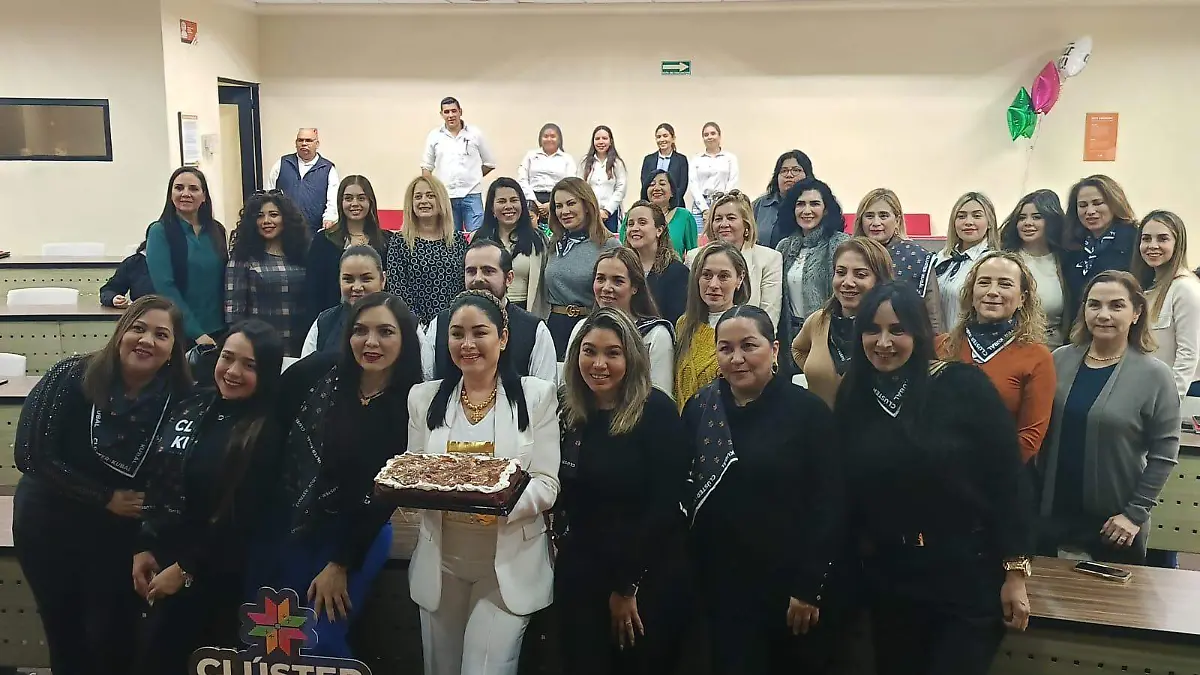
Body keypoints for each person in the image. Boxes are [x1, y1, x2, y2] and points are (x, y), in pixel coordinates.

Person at [836, 282, 1031, 675]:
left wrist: (1015, 572)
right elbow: (845, 495)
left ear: (920, 333)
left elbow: (1008, 479)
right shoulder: (854, 397)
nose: (883, 342)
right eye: (872, 330)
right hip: (891, 577)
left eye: (898, 330)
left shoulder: (962, 386)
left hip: (965, 573)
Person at [13, 295, 192, 675]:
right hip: (50, 524)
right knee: (66, 636)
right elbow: (31, 455)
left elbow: (172, 475)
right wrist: (103, 497)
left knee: (114, 638)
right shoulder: (70, 375)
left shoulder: (181, 402)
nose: (146, 340)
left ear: (175, 349)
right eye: (138, 328)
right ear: (120, 331)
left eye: (161, 335)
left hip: (117, 536)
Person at [406, 289, 560, 675]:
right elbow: (413, 480)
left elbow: (546, 483)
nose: (467, 343)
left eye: (480, 332)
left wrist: (495, 498)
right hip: (440, 566)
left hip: (507, 568)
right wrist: (409, 492)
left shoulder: (536, 396)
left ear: (503, 338)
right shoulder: (423, 400)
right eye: (457, 334)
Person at [262, 292, 424, 657]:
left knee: (318, 643)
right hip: (289, 524)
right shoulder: (312, 374)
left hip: (357, 533)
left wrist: (340, 563)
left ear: (405, 340)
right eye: (360, 330)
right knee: (273, 642)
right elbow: (269, 445)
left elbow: (385, 493)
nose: (370, 342)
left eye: (385, 332)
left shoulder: (412, 404)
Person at [684, 305, 840, 673]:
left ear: (774, 349)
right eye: (725, 348)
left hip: (789, 588)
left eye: (748, 346)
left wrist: (808, 587)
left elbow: (829, 504)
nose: (736, 358)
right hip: (721, 584)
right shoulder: (701, 408)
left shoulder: (807, 413)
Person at [132, 319, 284, 675]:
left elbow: (240, 516)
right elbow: (158, 476)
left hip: (214, 577)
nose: (232, 371)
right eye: (227, 358)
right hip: (162, 563)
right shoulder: (195, 402)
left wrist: (185, 569)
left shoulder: (266, 431)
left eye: (250, 365)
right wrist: (143, 545)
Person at [554, 308, 691, 674]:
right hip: (582, 569)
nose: (599, 364)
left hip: (644, 572)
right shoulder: (568, 409)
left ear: (631, 356)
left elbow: (664, 507)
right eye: (589, 351)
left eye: (612, 353)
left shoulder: (656, 411)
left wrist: (626, 585)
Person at [1038, 271, 1179, 565]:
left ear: (1137, 312)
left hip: (1114, 525)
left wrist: (1135, 514)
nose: (1103, 315)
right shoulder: (1059, 360)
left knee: (1111, 609)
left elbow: (1164, 453)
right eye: (1094, 305)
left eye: (1116, 306)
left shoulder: (1155, 376)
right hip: (1052, 518)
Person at [937, 251, 1056, 463]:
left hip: (996, 480)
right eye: (984, 282)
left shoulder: (1037, 357)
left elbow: (1030, 439)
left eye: (1005, 284)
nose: (992, 292)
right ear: (971, 294)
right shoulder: (941, 346)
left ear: (1022, 298)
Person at [423, 238, 557, 383]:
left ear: (509, 278)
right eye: (471, 271)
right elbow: (427, 384)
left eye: (488, 271)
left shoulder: (535, 330)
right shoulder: (440, 324)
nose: (478, 279)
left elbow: (545, 393)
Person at [791, 237, 894, 408]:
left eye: (860, 275)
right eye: (840, 272)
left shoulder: (892, 327)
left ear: (880, 280)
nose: (847, 282)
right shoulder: (819, 321)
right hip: (821, 430)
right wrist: (820, 376)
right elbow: (798, 349)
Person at [566, 247, 675, 396]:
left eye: (617, 281)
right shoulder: (581, 328)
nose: (606, 288)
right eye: (601, 279)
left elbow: (661, 394)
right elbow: (568, 386)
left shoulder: (656, 335)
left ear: (635, 287)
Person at [145, 167, 229, 347]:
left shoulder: (217, 230)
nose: (185, 193)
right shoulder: (159, 231)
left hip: (220, 330)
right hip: (182, 331)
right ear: (170, 194)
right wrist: (196, 333)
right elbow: (165, 287)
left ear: (204, 196)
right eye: (179, 188)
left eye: (193, 188)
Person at [541, 177, 621, 357]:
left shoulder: (609, 245)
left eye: (571, 203)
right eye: (558, 206)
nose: (564, 211)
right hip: (555, 329)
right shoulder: (553, 244)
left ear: (586, 205)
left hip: (592, 327)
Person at [225, 191, 310, 356]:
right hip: (261, 347)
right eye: (260, 216)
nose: (266, 221)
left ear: (286, 219)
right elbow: (234, 313)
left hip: (300, 343)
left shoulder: (301, 255)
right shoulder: (243, 258)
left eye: (273, 215)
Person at [687, 191, 783, 330]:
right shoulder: (694, 257)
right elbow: (692, 307)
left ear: (746, 224)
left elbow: (769, 318)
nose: (724, 224)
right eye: (718, 219)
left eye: (731, 218)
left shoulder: (770, 259)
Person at [775, 178, 851, 352]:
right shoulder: (784, 247)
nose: (806, 210)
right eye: (800, 204)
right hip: (790, 338)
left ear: (825, 210)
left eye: (814, 204)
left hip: (829, 336)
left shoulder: (840, 244)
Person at [854, 188, 944, 332]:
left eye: (883, 216)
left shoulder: (918, 257)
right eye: (869, 216)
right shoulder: (850, 254)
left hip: (905, 341)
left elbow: (933, 317)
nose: (876, 222)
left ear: (897, 220)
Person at [1131, 210, 1200, 397]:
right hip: (1150, 388)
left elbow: (1189, 355)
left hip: (1180, 392)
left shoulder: (1186, 288)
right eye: (1146, 239)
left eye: (1162, 239)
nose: (1152, 246)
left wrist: (1172, 400)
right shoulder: (1151, 288)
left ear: (1178, 244)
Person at [385, 175, 468, 326]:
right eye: (418, 196)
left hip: (453, 325)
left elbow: (463, 286)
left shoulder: (458, 241)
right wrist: (418, 325)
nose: (424, 201)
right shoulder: (399, 241)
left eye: (430, 196)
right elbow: (398, 289)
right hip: (414, 327)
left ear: (441, 200)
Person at [673, 242, 749, 408]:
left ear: (739, 279)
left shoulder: (749, 327)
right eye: (707, 275)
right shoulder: (684, 324)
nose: (713, 285)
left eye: (723, 276)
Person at [306, 175, 392, 319]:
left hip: (377, 320)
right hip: (333, 322)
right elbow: (313, 291)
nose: (354, 203)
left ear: (370, 202)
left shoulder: (386, 241)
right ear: (340, 203)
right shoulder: (323, 241)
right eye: (348, 198)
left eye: (361, 198)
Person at [999, 189, 1069, 347]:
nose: (1027, 223)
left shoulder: (1066, 261)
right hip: (1009, 345)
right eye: (1022, 218)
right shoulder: (1004, 260)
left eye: (1037, 217)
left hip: (1054, 348)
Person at [1061, 175, 1138, 318]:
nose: (1090, 211)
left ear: (1114, 203)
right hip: (1077, 330)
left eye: (1097, 203)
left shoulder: (1135, 240)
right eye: (1083, 205)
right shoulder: (1071, 245)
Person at [475, 176, 550, 316]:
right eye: (501, 201)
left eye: (514, 200)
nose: (508, 206)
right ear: (492, 207)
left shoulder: (538, 240)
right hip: (486, 313)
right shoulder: (480, 239)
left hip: (526, 313)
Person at [421, 96, 496, 233]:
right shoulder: (434, 136)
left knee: (477, 238)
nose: (450, 115)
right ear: (441, 114)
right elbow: (426, 167)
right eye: (446, 112)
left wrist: (474, 176)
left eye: (454, 111)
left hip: (472, 194)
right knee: (449, 240)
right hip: (445, 196)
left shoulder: (475, 134)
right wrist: (431, 192)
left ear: (460, 111)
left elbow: (489, 163)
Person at [301, 245, 386, 357]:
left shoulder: (405, 323)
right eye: (348, 279)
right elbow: (307, 370)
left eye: (366, 279)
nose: (356, 287)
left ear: (383, 280)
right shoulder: (324, 323)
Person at [935, 192, 999, 330]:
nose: (968, 222)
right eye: (961, 216)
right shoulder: (941, 257)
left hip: (968, 343)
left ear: (990, 223)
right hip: (935, 343)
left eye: (976, 216)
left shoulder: (993, 263)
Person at [624, 200, 689, 325]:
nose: (634, 228)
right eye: (630, 224)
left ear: (659, 230)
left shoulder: (677, 272)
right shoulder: (622, 268)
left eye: (642, 223)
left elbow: (678, 320)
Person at [265, 127, 339, 232]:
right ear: (296, 143)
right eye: (300, 140)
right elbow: (269, 196)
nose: (304, 143)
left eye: (308, 140)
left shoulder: (328, 168)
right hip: (284, 231)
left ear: (317, 144)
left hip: (315, 231)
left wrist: (329, 219)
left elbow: (333, 200)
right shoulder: (282, 163)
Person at [622, 169, 697, 258]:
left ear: (672, 192)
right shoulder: (632, 215)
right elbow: (623, 251)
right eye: (651, 185)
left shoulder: (684, 216)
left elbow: (693, 255)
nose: (656, 188)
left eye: (662, 184)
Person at [518, 123, 576, 226]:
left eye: (553, 136)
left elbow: (570, 183)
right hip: (532, 199)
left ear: (559, 139)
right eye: (546, 136)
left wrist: (552, 204)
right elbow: (522, 179)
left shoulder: (567, 158)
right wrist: (535, 202)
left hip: (557, 199)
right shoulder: (531, 155)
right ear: (540, 139)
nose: (549, 139)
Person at [754, 150, 813, 249]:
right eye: (784, 171)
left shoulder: (816, 203)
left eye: (796, 170)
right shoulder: (760, 205)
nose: (789, 175)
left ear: (807, 175)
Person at [687, 122, 739, 230]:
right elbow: (693, 184)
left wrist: (722, 201)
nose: (709, 137)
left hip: (723, 202)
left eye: (713, 133)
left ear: (719, 136)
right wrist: (705, 209)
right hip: (700, 207)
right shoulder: (696, 159)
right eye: (706, 135)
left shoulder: (730, 158)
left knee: (722, 238)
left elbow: (732, 181)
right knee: (701, 242)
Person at [579, 125, 628, 233]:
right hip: (589, 213)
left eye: (604, 138)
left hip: (611, 214)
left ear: (610, 141)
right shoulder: (585, 162)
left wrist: (607, 211)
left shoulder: (617, 163)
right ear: (593, 142)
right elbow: (580, 187)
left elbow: (621, 189)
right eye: (597, 139)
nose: (601, 142)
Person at [639, 123, 688, 210]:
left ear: (673, 138)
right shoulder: (648, 159)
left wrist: (669, 203)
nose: (662, 139)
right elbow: (645, 183)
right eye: (659, 137)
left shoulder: (681, 159)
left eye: (665, 136)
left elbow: (682, 185)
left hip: (675, 206)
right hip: (652, 207)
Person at [100, 234, 154, 308]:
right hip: (141, 313)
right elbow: (109, 289)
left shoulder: (174, 262)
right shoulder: (134, 263)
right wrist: (114, 298)